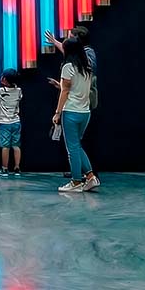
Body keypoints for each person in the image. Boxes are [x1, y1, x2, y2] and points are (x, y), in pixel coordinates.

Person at [49, 37, 99, 193]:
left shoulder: (67, 66)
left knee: (72, 148)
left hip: (70, 111)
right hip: (85, 112)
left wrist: (57, 112)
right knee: (77, 145)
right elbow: (78, 88)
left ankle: (76, 181)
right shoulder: (87, 67)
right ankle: (90, 176)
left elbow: (66, 91)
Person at [0, 69, 22, 177]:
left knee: (5, 146)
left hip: (4, 123)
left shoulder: (2, 90)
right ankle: (17, 168)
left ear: (4, 80)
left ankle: (4, 169)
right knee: (16, 145)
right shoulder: (18, 90)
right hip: (16, 122)